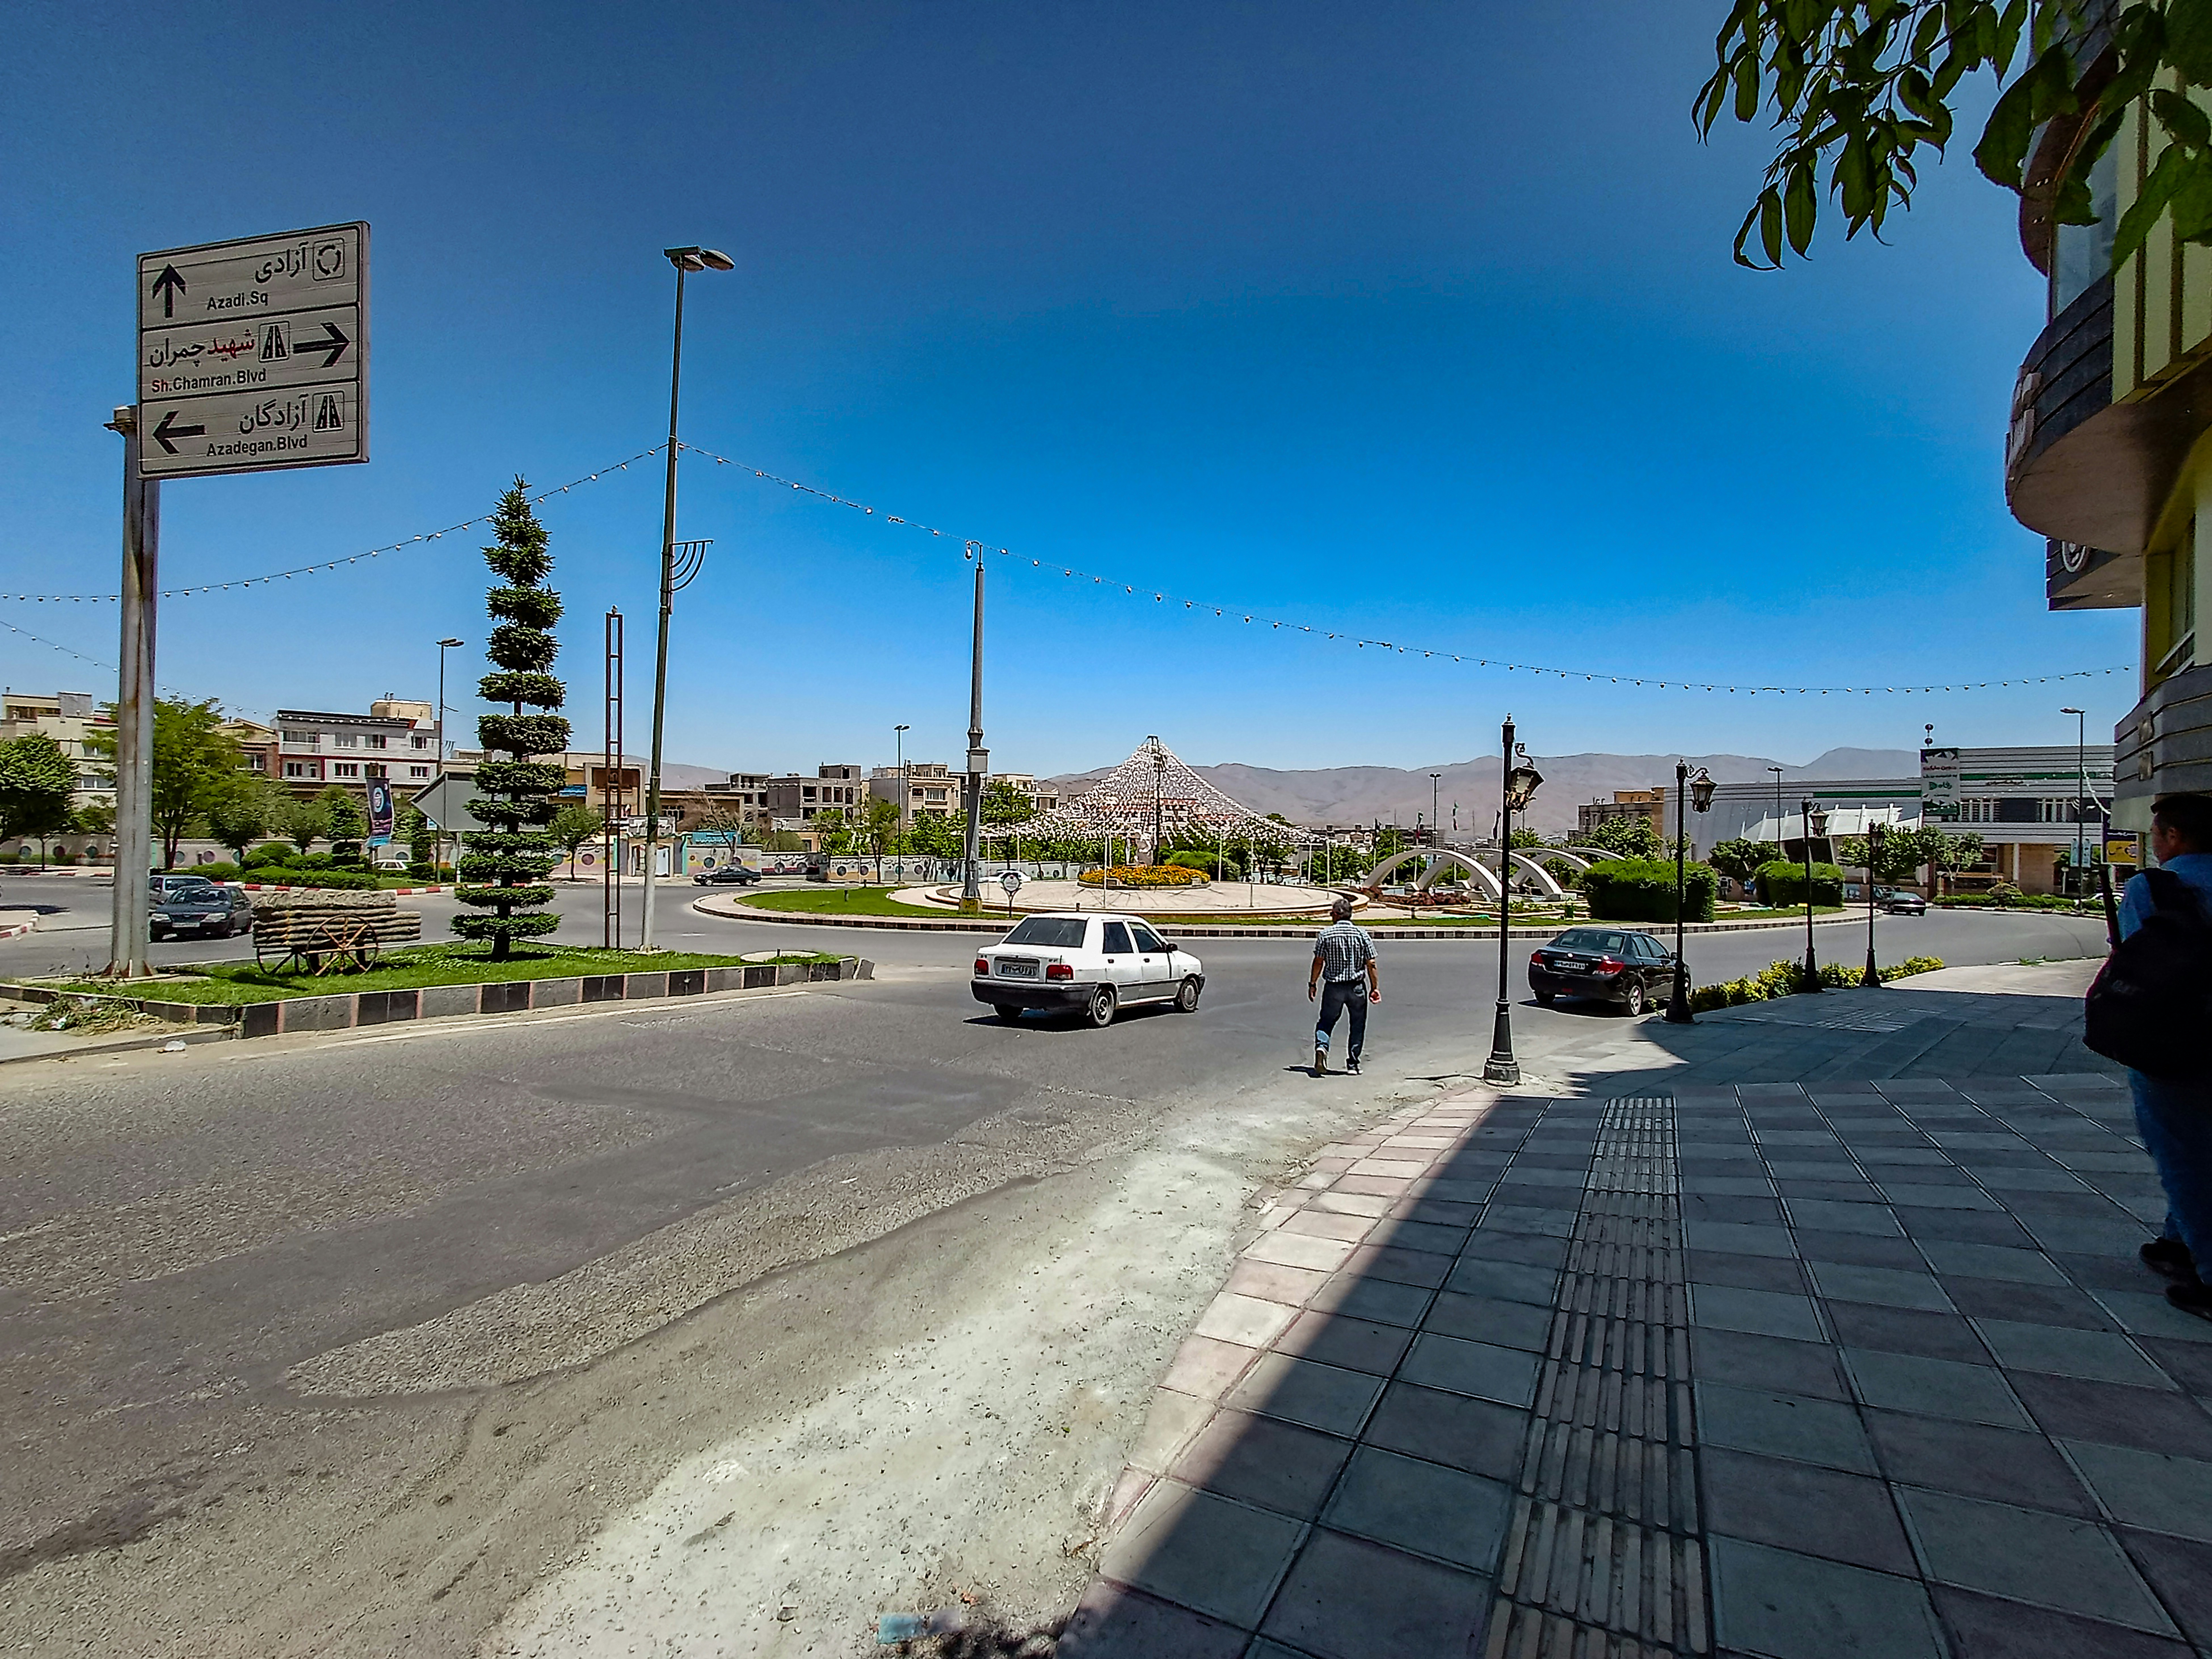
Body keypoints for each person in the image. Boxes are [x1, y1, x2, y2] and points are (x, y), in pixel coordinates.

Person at [2118, 793, 2212, 1321]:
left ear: (2174, 837)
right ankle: (2178, 1240)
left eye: (2156, 834)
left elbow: (2138, 961)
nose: (2152, 844)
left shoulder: (2155, 887)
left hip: (2176, 1037)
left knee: (2180, 1149)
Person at [1308, 896, 1379, 1075]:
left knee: (1326, 1021)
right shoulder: (1362, 934)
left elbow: (1319, 962)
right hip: (1356, 987)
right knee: (1357, 1024)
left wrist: (1313, 983)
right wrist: (1375, 987)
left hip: (1334, 987)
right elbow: (1371, 963)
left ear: (1335, 915)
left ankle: (1322, 1048)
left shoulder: (1326, 935)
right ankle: (1353, 1064)